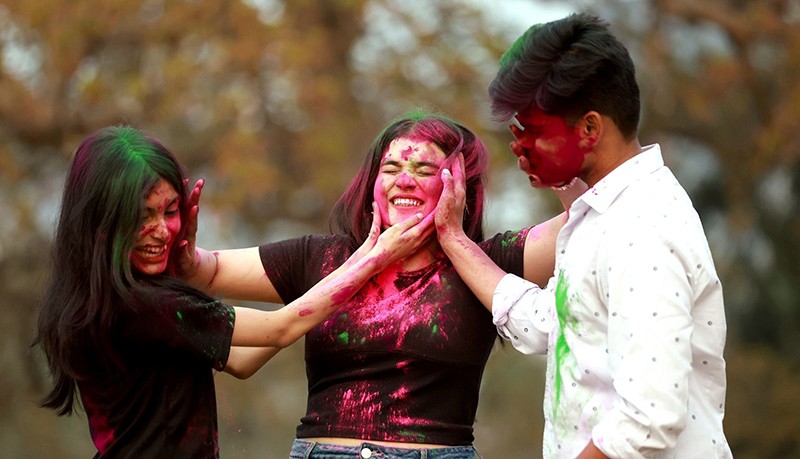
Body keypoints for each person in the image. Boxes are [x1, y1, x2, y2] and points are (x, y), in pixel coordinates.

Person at [180, 110, 580, 458]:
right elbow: (208, 271)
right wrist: (182, 247)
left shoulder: (488, 263)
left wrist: (556, 157)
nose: (403, 180)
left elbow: (586, 217)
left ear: (460, 186)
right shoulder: (323, 258)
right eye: (390, 169)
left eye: (424, 170)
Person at [434, 13, 732, 459]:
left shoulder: (642, 227)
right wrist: (453, 239)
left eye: (534, 132)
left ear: (590, 129)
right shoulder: (599, 216)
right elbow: (551, 324)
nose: (518, 146)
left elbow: (648, 419)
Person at [34, 125, 430, 458]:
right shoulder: (145, 305)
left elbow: (242, 361)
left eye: (170, 211)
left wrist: (321, 291)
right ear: (101, 221)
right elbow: (280, 329)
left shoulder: (103, 300)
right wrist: (370, 262)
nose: (163, 231)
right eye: (143, 216)